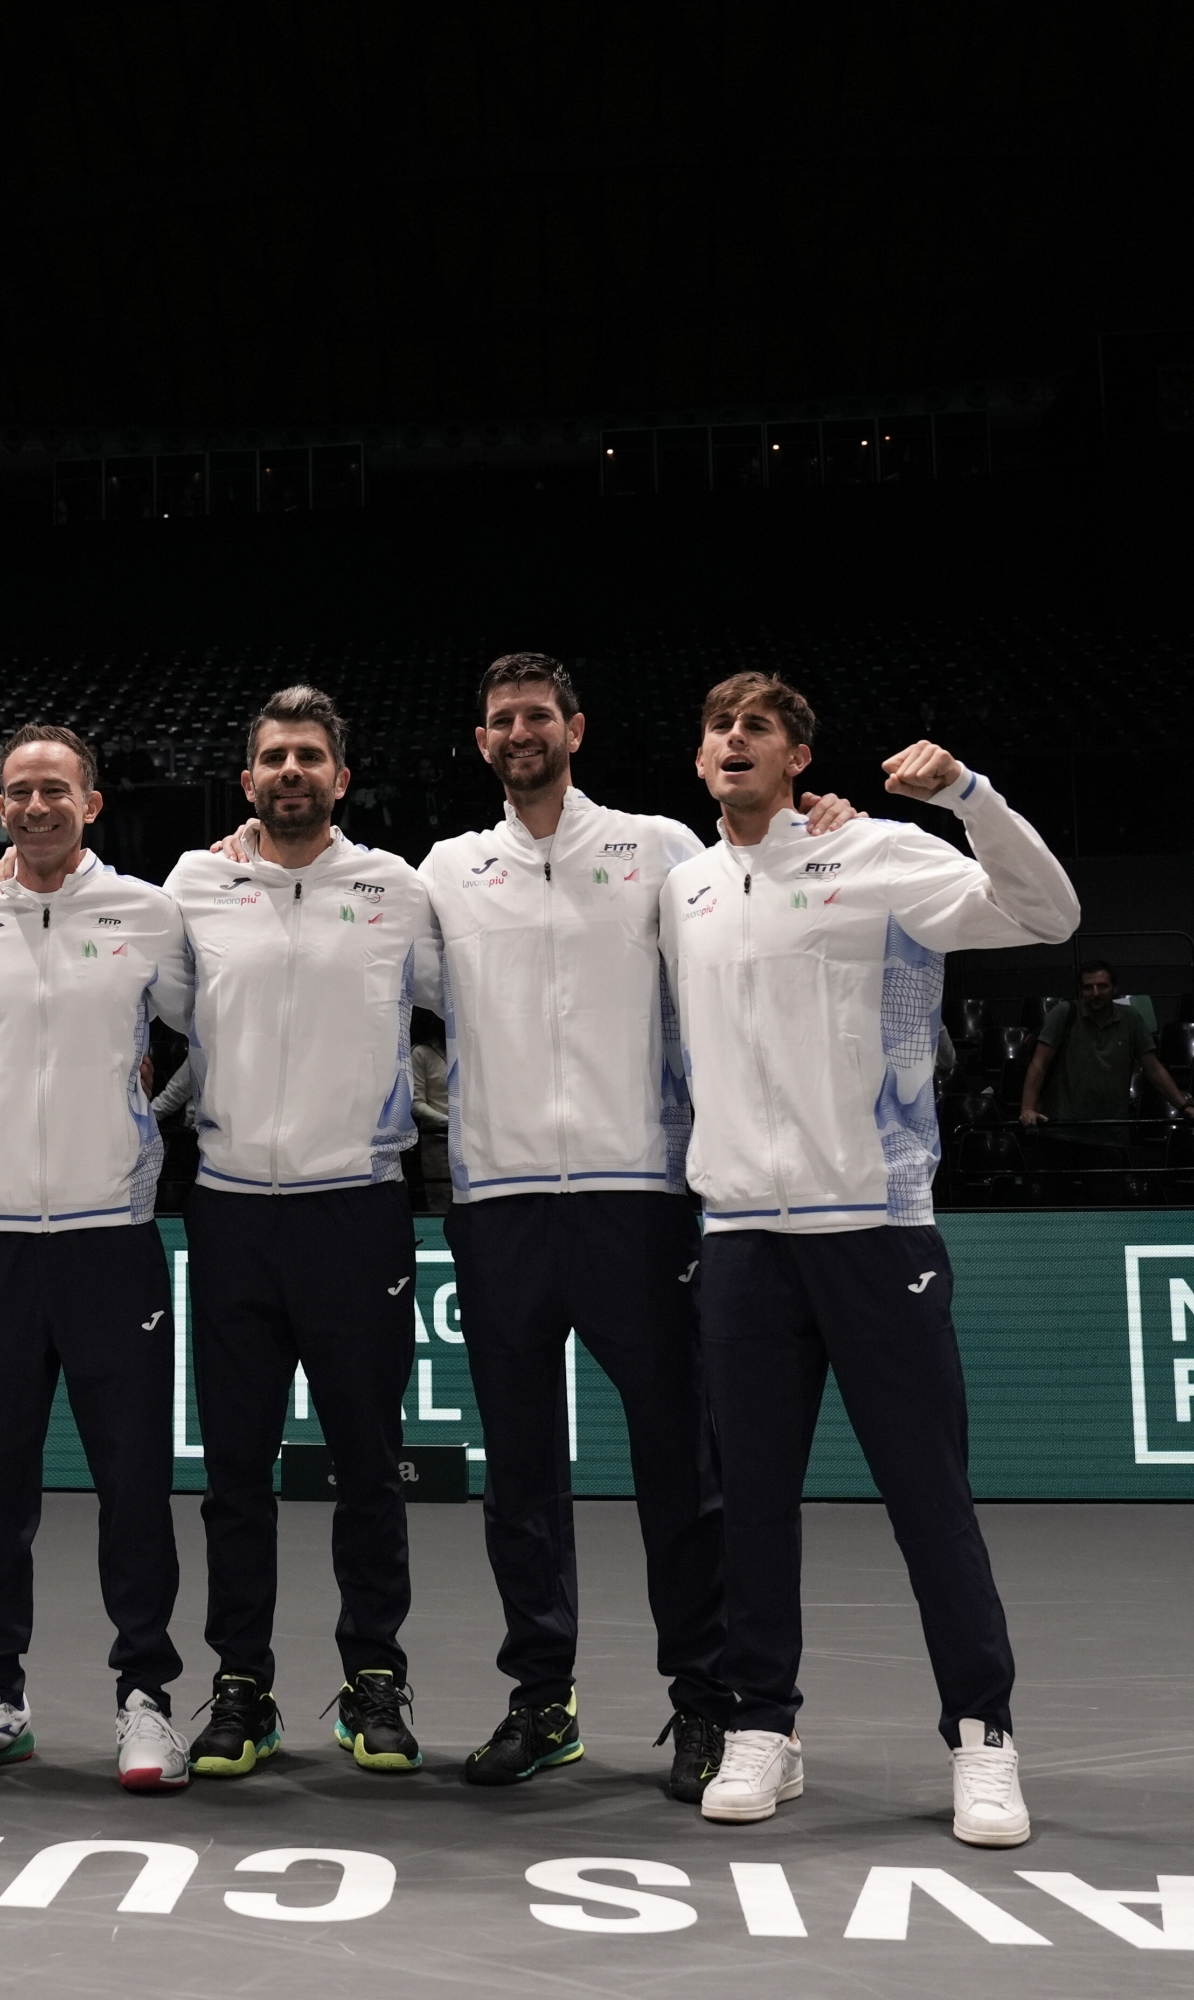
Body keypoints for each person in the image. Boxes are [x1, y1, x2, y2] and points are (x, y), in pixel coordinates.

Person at [411, 653, 871, 1799]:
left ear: (577, 727)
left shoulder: (662, 848)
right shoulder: (446, 870)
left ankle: (706, 1701)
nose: (521, 731)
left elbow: (757, 887)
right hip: (499, 1205)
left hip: (641, 1200)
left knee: (683, 1467)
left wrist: (831, 825)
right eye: (501, 718)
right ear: (481, 742)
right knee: (520, 1476)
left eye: (539, 716)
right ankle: (542, 1697)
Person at [659, 671, 1080, 1849]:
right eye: (718, 728)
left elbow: (1049, 915)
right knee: (750, 1505)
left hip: (876, 1227)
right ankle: (763, 1726)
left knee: (926, 1496)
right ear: (700, 760)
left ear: (800, 757)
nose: (733, 740)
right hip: (740, 1236)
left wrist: (969, 796)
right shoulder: (685, 885)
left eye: (758, 727)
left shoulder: (882, 853)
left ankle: (983, 1735)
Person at [166, 684, 440, 1779]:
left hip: (357, 1210)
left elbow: (480, 999)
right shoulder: (194, 883)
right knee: (237, 1470)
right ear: (247, 780)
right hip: (230, 1207)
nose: (291, 770)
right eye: (274, 755)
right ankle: (241, 1681)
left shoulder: (396, 888)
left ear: (340, 774)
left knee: (370, 1466)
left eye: (310, 755)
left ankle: (375, 1673)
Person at [0, 723, 197, 1794]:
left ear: (93, 798)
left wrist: (150, 1121)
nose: (32, 806)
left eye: (54, 789)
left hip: (111, 1243)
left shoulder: (148, 912)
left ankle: (146, 1699)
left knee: (132, 1483)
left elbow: (207, 1031)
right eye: (16, 790)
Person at [1018, 960, 1194, 1191]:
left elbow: (1154, 1069)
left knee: (1106, 1213)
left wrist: (1184, 1107)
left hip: (1108, 1135)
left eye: (1102, 986)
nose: (1095, 993)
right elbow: (1039, 1065)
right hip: (1059, 1134)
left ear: (1114, 989)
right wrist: (1027, 1108)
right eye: (1088, 987)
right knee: (1057, 1212)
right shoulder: (1064, 1014)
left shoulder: (1131, 1019)